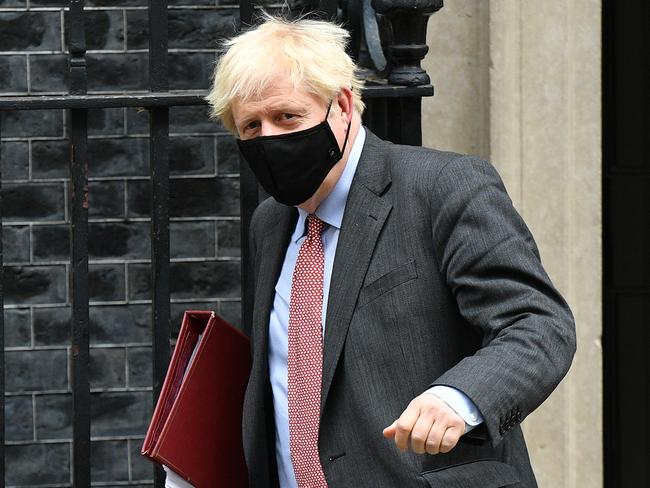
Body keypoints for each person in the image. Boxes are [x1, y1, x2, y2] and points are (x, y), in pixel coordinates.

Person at [206, 15, 576, 488]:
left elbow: (538, 324)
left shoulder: (443, 187)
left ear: (341, 105)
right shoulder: (270, 223)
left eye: (287, 117)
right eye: (251, 127)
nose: (269, 139)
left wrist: (458, 398)